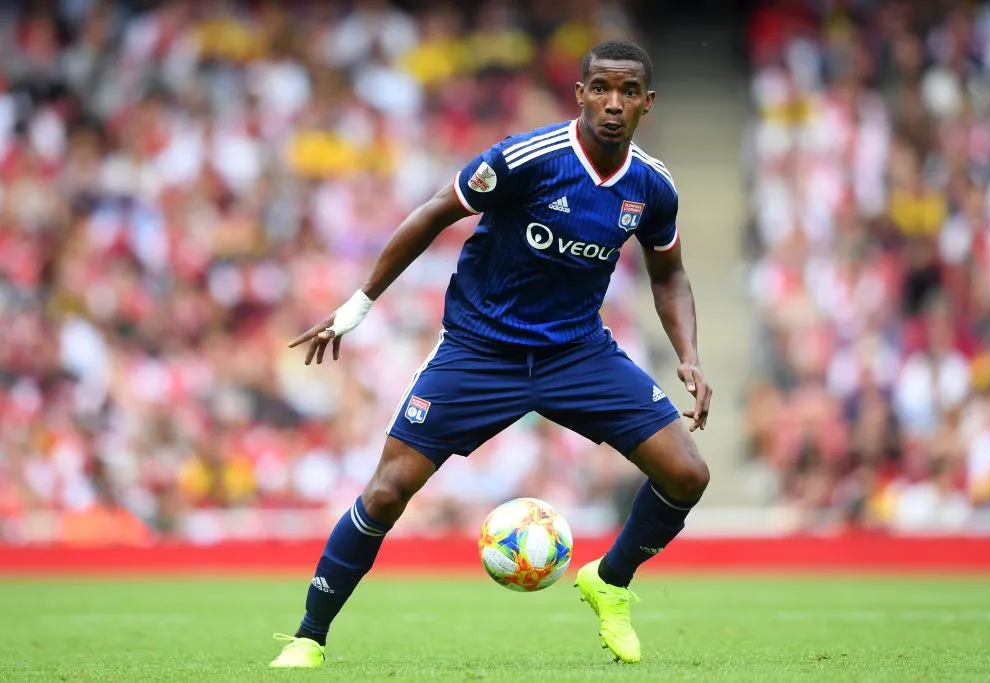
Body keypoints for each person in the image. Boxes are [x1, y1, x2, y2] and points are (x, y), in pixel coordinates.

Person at [270, 40, 712, 668]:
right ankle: (308, 637)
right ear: (581, 94)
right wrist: (360, 303)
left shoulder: (651, 186)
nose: (614, 104)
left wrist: (688, 353)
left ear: (647, 102)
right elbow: (432, 215)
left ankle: (609, 581)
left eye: (629, 92)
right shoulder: (527, 159)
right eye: (602, 89)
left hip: (576, 354)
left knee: (688, 474)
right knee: (388, 491)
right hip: (480, 351)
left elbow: (668, 274)